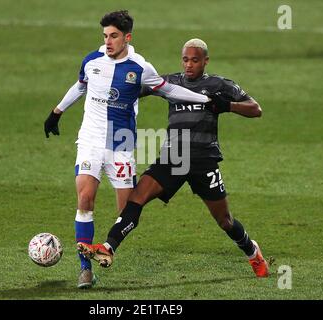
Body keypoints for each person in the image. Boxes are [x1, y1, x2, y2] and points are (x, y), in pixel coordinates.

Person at [44, 12, 214, 289]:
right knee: (85, 199)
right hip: (91, 140)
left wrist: (204, 98)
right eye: (105, 36)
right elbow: (80, 86)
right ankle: (85, 270)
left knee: (127, 210)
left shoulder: (140, 67)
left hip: (121, 144)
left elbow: (169, 90)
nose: (108, 42)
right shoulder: (92, 60)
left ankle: (108, 248)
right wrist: (57, 111)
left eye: (113, 36)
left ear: (127, 37)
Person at [77, 38, 269, 278]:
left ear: (205, 61)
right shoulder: (172, 82)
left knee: (225, 221)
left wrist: (228, 106)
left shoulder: (219, 84)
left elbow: (255, 109)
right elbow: (136, 89)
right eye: (186, 60)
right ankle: (108, 247)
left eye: (195, 60)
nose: (189, 65)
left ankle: (252, 252)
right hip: (174, 158)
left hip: (203, 160)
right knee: (136, 198)